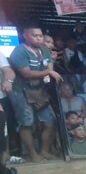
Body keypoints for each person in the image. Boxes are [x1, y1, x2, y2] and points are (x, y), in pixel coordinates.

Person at [8, 24, 63, 162]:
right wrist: (49, 72)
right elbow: (26, 74)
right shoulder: (19, 51)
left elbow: (49, 69)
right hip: (20, 91)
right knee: (26, 123)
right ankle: (32, 154)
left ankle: (44, 151)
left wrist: (49, 71)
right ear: (26, 36)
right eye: (35, 35)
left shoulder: (44, 50)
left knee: (49, 121)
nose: (38, 38)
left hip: (40, 91)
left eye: (40, 35)